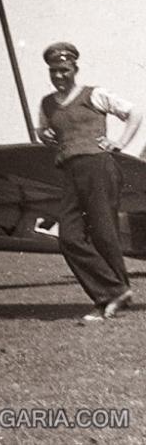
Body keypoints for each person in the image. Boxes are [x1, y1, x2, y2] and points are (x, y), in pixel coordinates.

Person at [37, 42, 142, 322]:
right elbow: (43, 131)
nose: (59, 75)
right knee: (69, 237)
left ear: (75, 69)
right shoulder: (47, 104)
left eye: (64, 70)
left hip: (98, 167)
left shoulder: (94, 94)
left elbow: (134, 113)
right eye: (53, 71)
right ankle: (116, 291)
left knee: (104, 234)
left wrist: (119, 143)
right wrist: (44, 135)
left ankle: (108, 299)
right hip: (69, 171)